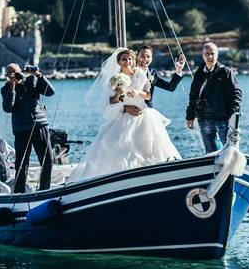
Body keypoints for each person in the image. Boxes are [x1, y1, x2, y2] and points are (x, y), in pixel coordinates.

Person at [67, 48, 180, 182]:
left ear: (133, 60)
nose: (127, 61)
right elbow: (113, 101)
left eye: (129, 59)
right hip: (124, 116)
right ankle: (124, 178)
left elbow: (148, 95)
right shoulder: (116, 78)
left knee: (150, 146)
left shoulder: (141, 73)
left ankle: (160, 176)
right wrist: (123, 103)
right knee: (121, 147)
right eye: (124, 59)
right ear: (119, 62)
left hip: (143, 115)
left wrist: (137, 92)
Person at [1, 63, 55, 193]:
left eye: (17, 72)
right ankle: (19, 192)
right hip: (21, 129)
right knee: (21, 164)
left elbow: (50, 92)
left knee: (48, 159)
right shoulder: (6, 89)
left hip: (39, 124)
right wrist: (13, 88)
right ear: (7, 76)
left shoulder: (31, 81)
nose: (15, 76)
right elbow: (8, 108)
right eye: (11, 74)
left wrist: (38, 75)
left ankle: (44, 189)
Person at [185, 42, 242, 153]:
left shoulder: (226, 72)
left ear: (217, 55)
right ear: (203, 55)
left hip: (224, 117)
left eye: (212, 54)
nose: (210, 56)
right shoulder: (198, 74)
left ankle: (232, 168)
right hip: (204, 117)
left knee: (230, 150)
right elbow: (193, 96)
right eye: (207, 54)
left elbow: (236, 94)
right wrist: (190, 116)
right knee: (211, 153)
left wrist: (233, 114)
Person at [123, 44, 186, 117]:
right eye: (142, 56)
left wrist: (178, 70)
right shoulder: (127, 71)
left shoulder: (153, 73)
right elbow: (116, 96)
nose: (145, 59)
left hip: (146, 113)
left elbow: (170, 87)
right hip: (127, 114)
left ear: (152, 58)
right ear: (137, 57)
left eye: (148, 56)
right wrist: (126, 109)